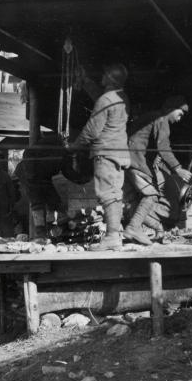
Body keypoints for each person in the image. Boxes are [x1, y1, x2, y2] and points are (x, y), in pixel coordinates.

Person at [68, 63, 131, 250]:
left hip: (105, 153)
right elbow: (101, 99)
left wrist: (74, 145)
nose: (101, 77)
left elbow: (92, 130)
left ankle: (112, 237)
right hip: (120, 152)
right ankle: (115, 235)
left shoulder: (106, 100)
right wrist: (86, 81)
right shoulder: (121, 97)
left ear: (110, 79)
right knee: (115, 194)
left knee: (107, 195)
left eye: (104, 74)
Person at [123, 96, 192, 245]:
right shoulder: (162, 119)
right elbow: (163, 147)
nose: (179, 119)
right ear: (170, 109)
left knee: (133, 204)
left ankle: (157, 229)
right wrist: (178, 169)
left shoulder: (151, 117)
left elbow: (142, 139)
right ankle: (133, 228)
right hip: (135, 160)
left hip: (124, 160)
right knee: (152, 194)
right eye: (179, 114)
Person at [14, 134, 68, 238]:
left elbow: (66, 171)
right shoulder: (53, 141)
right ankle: (41, 234)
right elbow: (28, 153)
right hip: (28, 174)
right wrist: (32, 176)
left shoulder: (64, 153)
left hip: (43, 176)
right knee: (37, 203)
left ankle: (53, 227)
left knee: (54, 200)